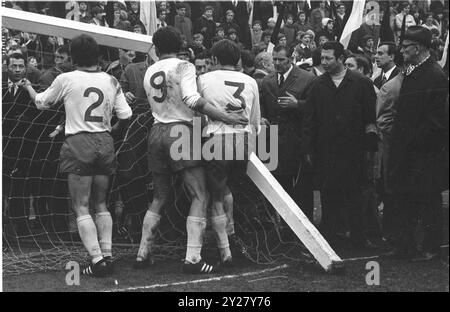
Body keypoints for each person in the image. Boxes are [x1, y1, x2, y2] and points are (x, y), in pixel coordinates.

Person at [135, 26, 248, 274]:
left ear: (156, 47)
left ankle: (143, 253)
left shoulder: (149, 69)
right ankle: (193, 257)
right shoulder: (185, 66)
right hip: (180, 132)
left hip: (156, 132)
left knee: (159, 196)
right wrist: (224, 116)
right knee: (200, 195)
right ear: (181, 45)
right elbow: (191, 100)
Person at [20, 34, 132, 277]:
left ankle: (97, 260)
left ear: (73, 57)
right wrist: (112, 131)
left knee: (80, 205)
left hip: (78, 141)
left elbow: (41, 103)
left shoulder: (66, 78)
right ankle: (108, 254)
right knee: (101, 202)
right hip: (105, 141)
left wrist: (28, 86)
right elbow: (126, 114)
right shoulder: (111, 80)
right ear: (98, 56)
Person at [302, 41, 378, 248]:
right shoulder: (317, 85)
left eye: (328, 58)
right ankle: (329, 240)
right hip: (326, 150)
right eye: (322, 58)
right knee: (329, 196)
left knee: (355, 194)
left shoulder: (361, 83)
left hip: (354, 150)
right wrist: (309, 149)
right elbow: (310, 120)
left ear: (341, 58)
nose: (324, 62)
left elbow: (370, 119)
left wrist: (370, 149)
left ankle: (358, 237)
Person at [386, 26, 448, 261]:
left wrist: (413, 143)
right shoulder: (415, 71)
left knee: (427, 200)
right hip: (408, 150)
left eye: (405, 47)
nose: (401, 50)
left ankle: (431, 248)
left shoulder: (433, 75)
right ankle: (405, 245)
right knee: (405, 198)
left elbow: (434, 121)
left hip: (423, 153)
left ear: (418, 48)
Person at [197, 39, 261, 266]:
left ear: (214, 59)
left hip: (216, 137)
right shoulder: (251, 81)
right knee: (228, 190)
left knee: (215, 194)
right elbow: (255, 121)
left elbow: (198, 114)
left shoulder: (204, 79)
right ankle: (231, 239)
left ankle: (225, 249)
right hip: (243, 139)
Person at [260, 45, 315, 223]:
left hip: (296, 141)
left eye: (281, 60)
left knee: (300, 187)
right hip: (272, 140)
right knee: (278, 185)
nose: (277, 63)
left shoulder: (307, 79)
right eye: (274, 59)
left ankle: (304, 226)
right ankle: (282, 226)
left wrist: (297, 104)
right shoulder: (267, 81)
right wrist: (261, 117)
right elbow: (262, 106)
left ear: (290, 58)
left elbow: (316, 108)